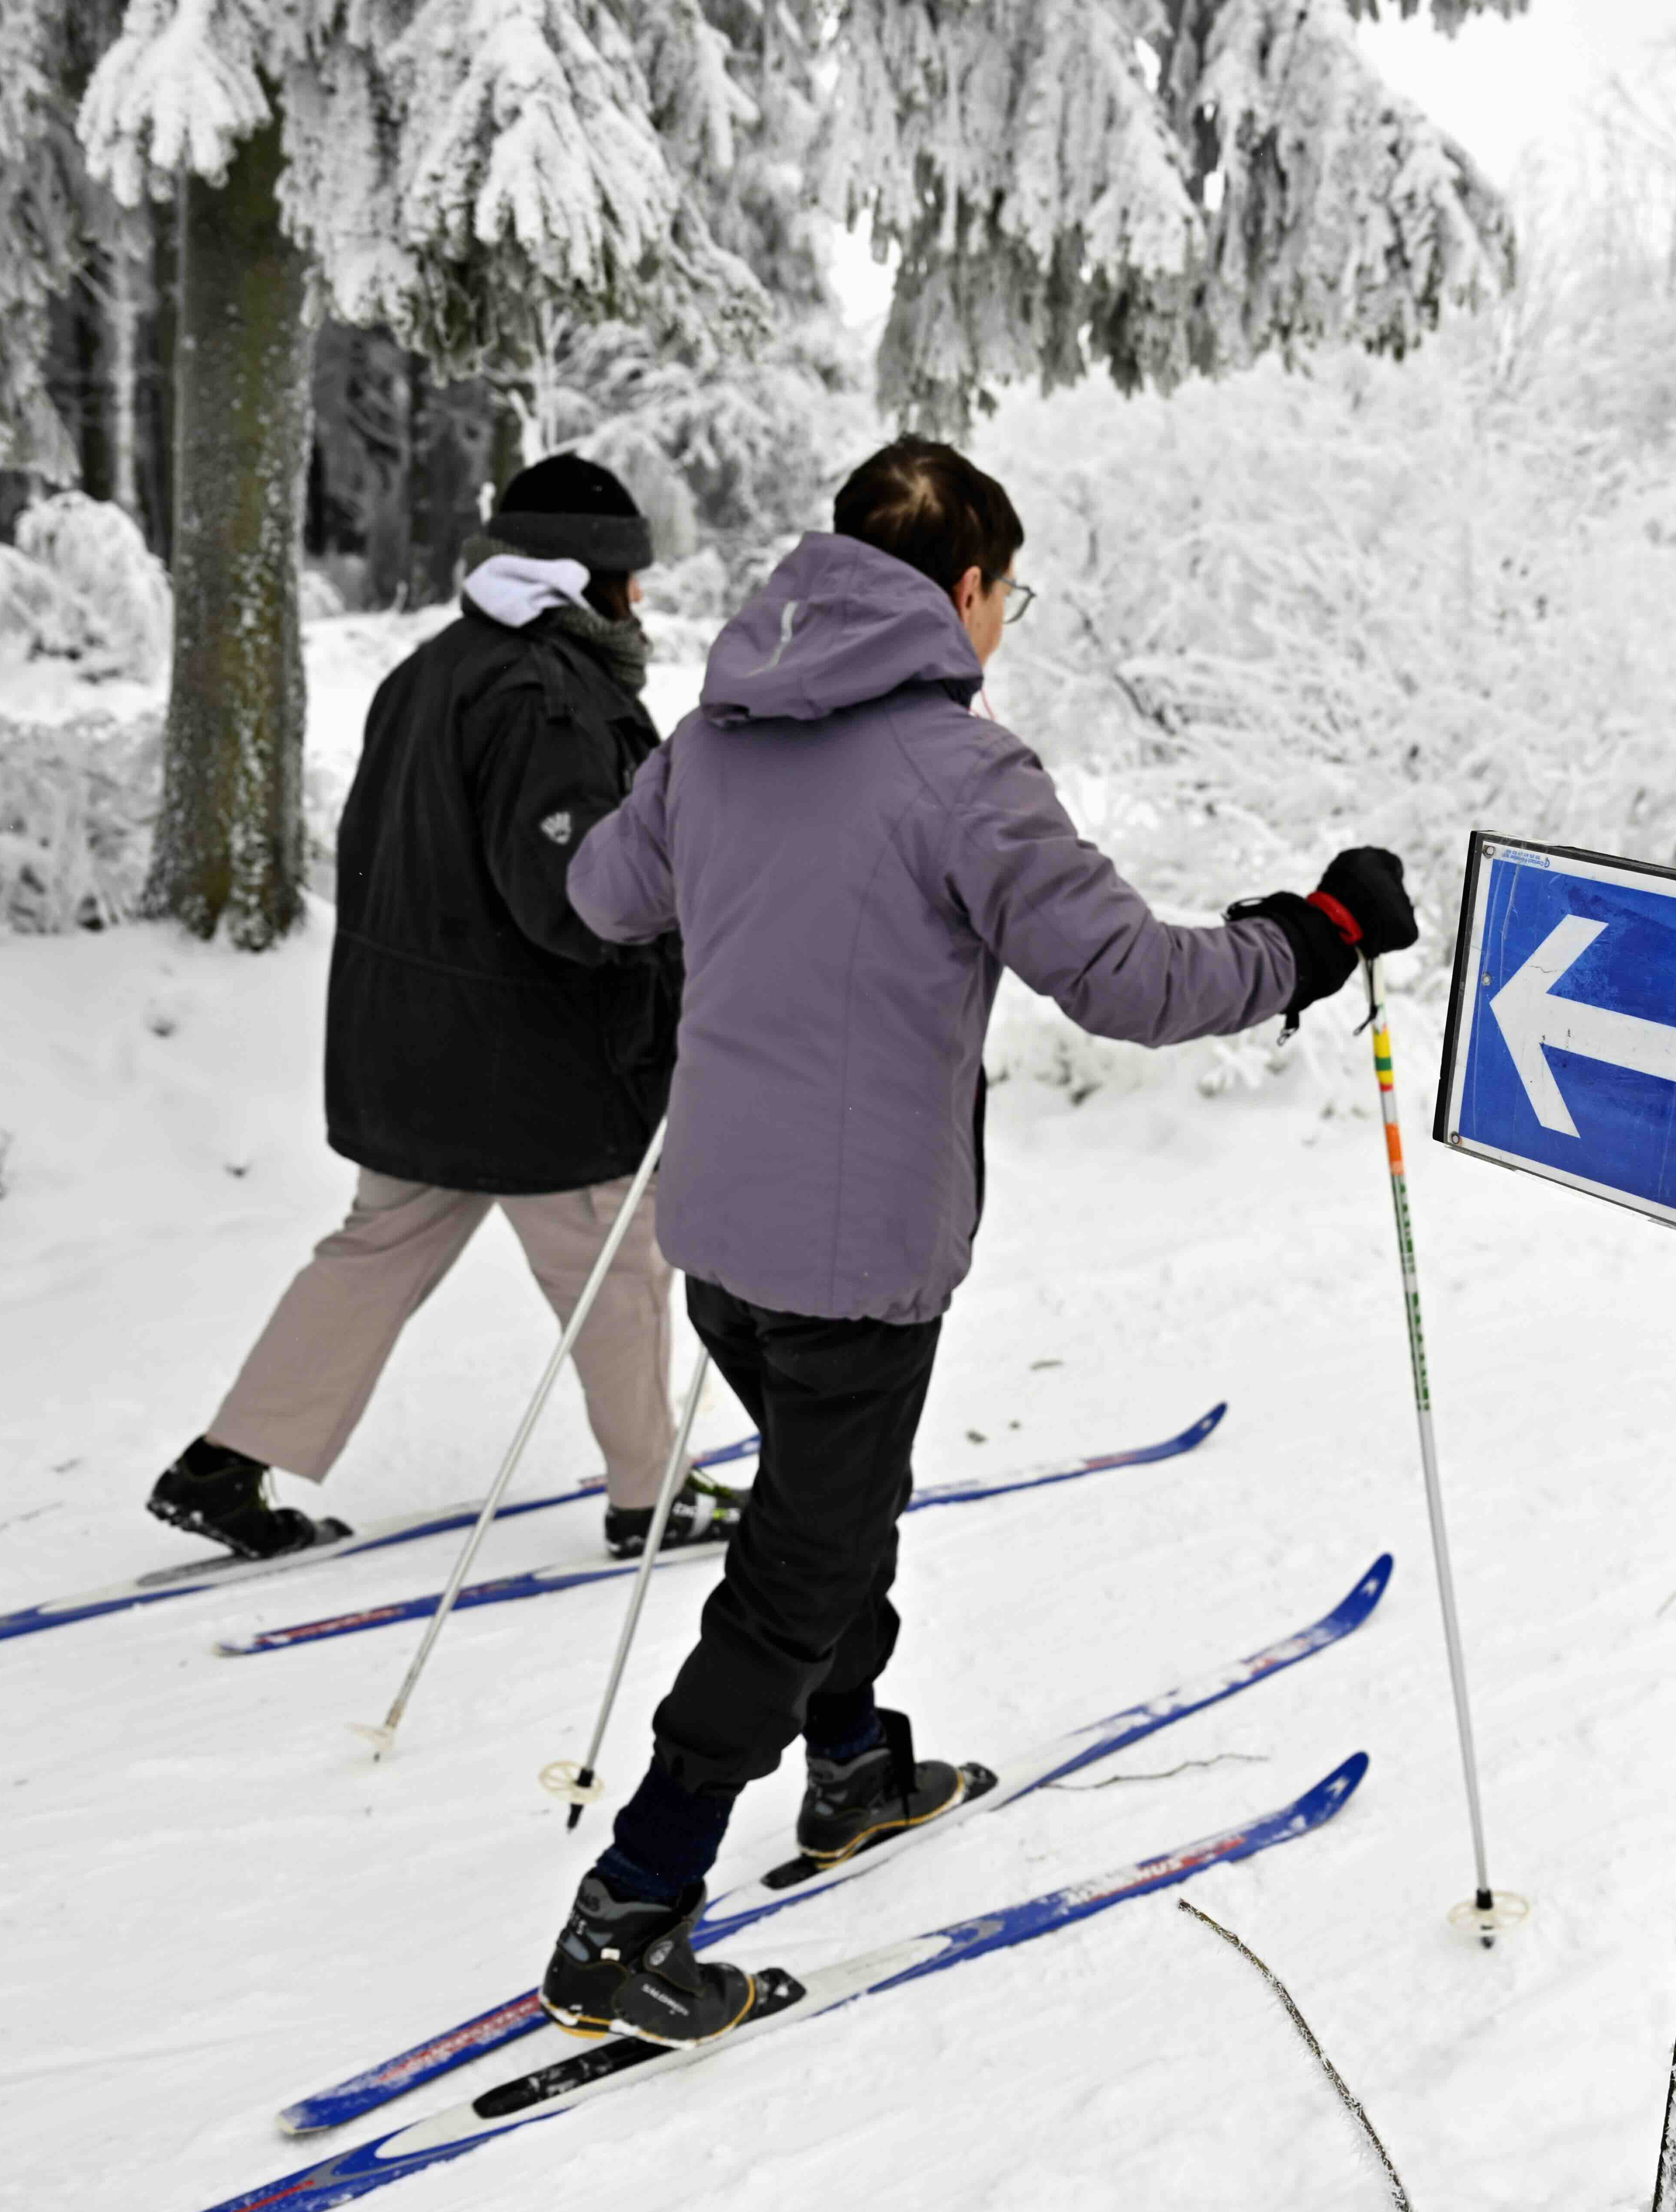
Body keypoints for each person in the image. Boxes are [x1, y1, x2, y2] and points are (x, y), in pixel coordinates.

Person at [533, 437, 1414, 2046]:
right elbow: (1134, 981)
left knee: (828, 1502)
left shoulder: (714, 739)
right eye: (1008, 591)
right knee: (802, 1562)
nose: (1004, 618)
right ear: (963, 590)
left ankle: (852, 1764)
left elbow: (599, 895)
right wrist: (1317, 934)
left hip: (717, 1231)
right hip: (857, 1258)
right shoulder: (959, 770)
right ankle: (631, 1906)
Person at [147, 456, 733, 1564]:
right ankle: (650, 1498)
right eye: (629, 577)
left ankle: (224, 1465)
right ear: (585, 578)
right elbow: (576, 900)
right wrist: (684, 931)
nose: (641, 599)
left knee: (377, 1250)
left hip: (413, 1049)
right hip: (538, 1069)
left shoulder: (432, 670)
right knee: (618, 1264)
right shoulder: (548, 698)